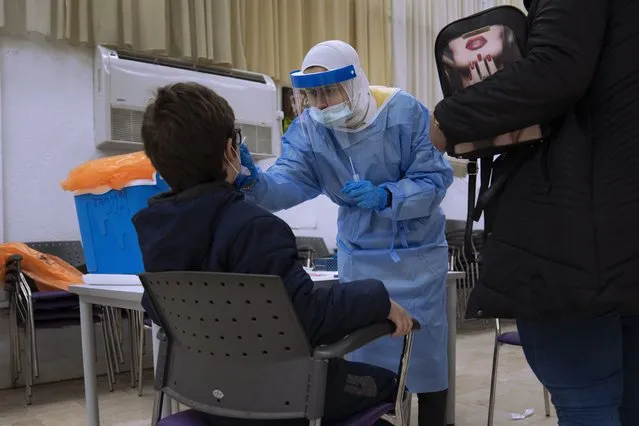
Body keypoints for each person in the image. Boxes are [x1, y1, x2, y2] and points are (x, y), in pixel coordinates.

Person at [132, 82, 416, 425]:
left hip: (207, 395)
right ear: (230, 150)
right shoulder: (256, 228)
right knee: (389, 383)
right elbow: (309, 320)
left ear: (160, 166)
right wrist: (378, 299)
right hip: (284, 400)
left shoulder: (155, 232)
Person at [429, 0, 639, 424]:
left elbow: (556, 70)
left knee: (588, 398)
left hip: (577, 239)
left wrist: (446, 120)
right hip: (618, 234)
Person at [236, 40, 454, 426]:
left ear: (353, 83)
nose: (319, 104)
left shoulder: (403, 114)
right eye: (311, 94)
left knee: (424, 355)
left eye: (328, 91)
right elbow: (287, 183)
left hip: (416, 259)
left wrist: (387, 195)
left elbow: (434, 181)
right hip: (359, 262)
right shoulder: (310, 130)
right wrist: (254, 182)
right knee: (365, 358)